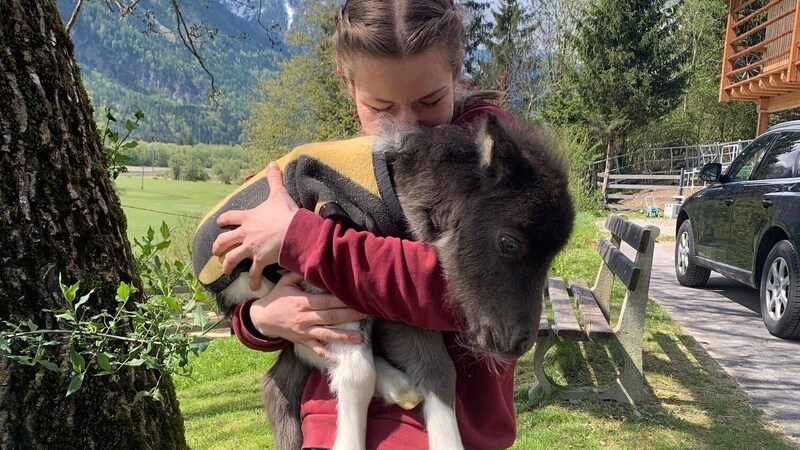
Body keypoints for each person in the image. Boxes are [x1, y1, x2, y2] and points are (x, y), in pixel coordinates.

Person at [210, 1, 519, 448]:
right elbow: (260, 277)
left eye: (429, 101)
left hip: (437, 429)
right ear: (347, 83)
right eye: (380, 106)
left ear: (457, 69)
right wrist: (262, 318)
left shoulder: (493, 155)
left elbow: (469, 286)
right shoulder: (343, 165)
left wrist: (302, 239)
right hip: (330, 418)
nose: (407, 127)